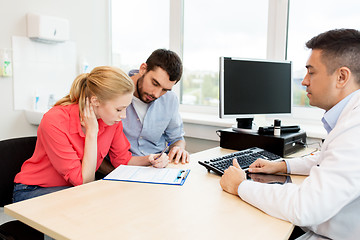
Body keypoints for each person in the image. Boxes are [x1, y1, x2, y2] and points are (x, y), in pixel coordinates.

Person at [220, 28, 360, 240]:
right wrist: (283, 166)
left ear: (341, 77)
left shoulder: (355, 128)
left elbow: (305, 207)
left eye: (311, 72)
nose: (304, 81)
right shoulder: (351, 118)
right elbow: (328, 160)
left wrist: (240, 185)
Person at [13, 66, 169, 203]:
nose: (123, 116)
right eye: (119, 109)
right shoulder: (55, 121)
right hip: (33, 190)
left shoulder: (111, 120)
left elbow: (123, 160)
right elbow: (84, 182)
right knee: (94, 204)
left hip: (73, 191)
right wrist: (92, 132)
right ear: (95, 101)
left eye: (126, 108)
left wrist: (150, 159)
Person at [99, 49, 189, 177]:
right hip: (117, 172)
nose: (157, 94)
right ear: (143, 69)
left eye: (165, 89)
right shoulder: (114, 91)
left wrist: (178, 148)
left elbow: (177, 138)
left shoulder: (170, 99)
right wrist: (118, 175)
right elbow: (94, 152)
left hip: (157, 172)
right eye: (155, 83)